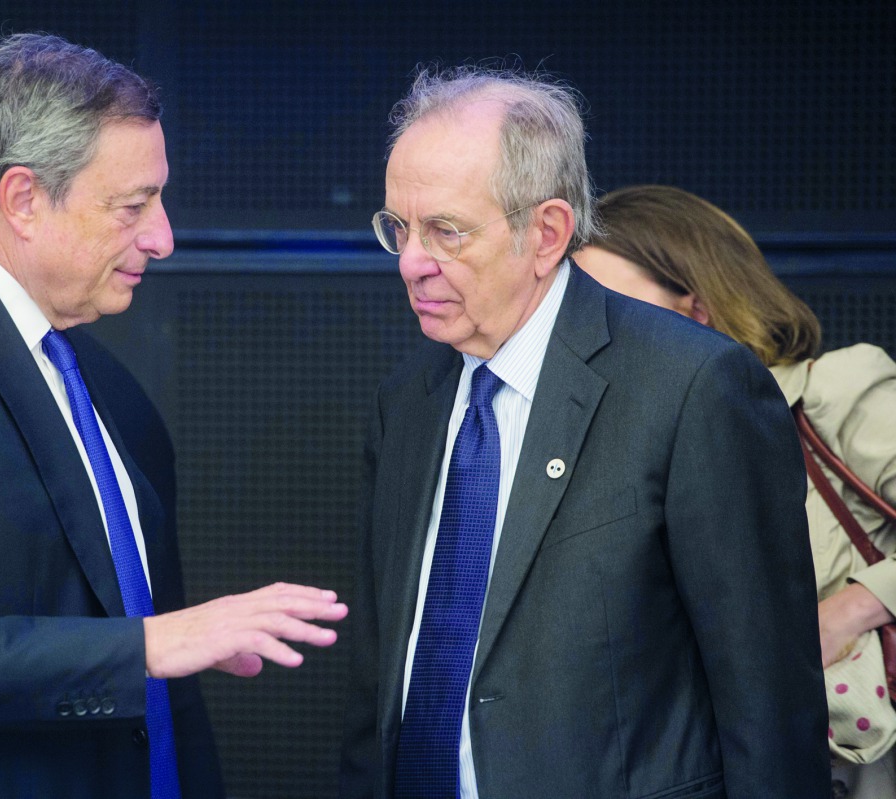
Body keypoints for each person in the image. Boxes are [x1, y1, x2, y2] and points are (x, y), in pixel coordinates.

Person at [0, 32, 347, 798]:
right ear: (22, 199)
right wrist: (148, 644)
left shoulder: (89, 373)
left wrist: (159, 646)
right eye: (132, 206)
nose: (162, 237)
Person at [339, 67, 829, 798]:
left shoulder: (692, 386)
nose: (411, 263)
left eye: (445, 231)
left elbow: (769, 702)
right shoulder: (407, 401)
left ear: (546, 234)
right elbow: (380, 677)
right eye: (398, 228)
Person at [575, 183, 896, 799]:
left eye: (614, 310)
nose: (592, 339)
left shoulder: (830, 395)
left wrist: (854, 607)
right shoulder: (619, 452)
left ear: (698, 310)